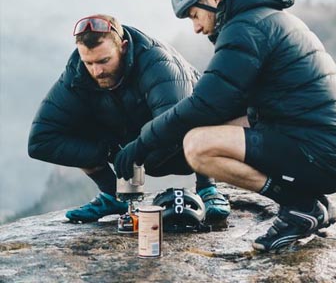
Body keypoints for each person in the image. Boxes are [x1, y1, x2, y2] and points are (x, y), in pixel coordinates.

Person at [115, 0, 336, 251]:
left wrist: (143, 142)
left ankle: (299, 205)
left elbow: (205, 104)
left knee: (198, 146)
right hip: (329, 144)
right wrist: (161, 143)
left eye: (194, 15)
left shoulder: (245, 28)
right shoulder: (264, 18)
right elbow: (226, 107)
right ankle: (311, 202)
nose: (195, 27)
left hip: (321, 151)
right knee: (210, 131)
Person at [28, 14, 231, 223]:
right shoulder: (78, 73)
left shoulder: (157, 63)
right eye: (89, 62)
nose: (96, 71)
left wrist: (139, 149)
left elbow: (174, 123)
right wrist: (106, 151)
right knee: (74, 127)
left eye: (104, 61)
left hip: (183, 142)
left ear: (123, 47)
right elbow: (40, 140)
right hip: (133, 135)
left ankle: (208, 188)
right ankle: (112, 196)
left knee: (194, 112)